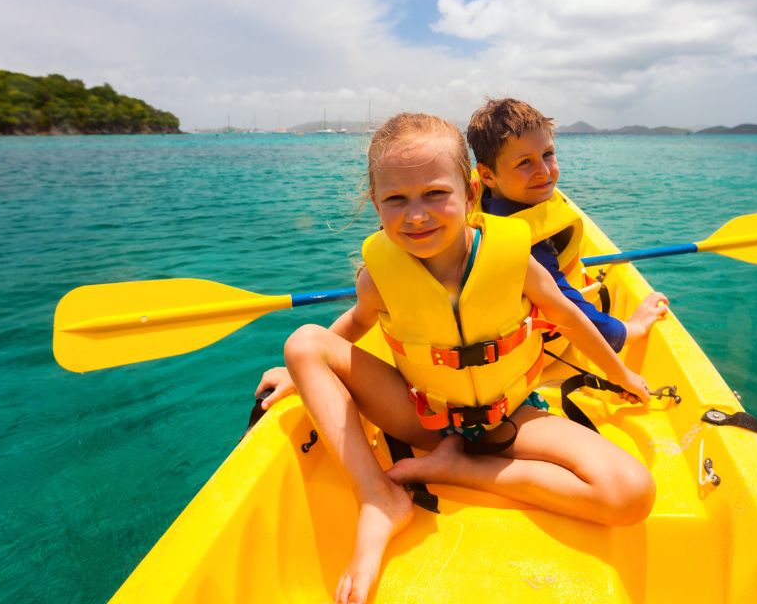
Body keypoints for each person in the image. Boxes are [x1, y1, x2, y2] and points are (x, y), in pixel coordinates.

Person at [278, 112, 655, 604]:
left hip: (509, 416)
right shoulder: (377, 278)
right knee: (302, 344)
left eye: (435, 194)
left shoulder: (514, 260)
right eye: (397, 199)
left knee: (631, 493)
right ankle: (378, 497)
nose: (417, 215)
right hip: (420, 415)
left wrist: (621, 373)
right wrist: (300, 377)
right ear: (376, 204)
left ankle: (458, 468)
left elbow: (568, 317)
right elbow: (353, 326)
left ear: (471, 193)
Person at [466, 97, 668, 360]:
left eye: (547, 154)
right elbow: (574, 315)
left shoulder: (482, 200)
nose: (544, 171)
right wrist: (633, 328)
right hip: (546, 351)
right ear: (487, 174)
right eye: (525, 163)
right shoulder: (526, 242)